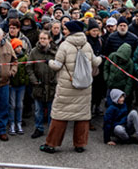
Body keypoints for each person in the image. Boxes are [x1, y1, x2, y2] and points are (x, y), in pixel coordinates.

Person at [40, 20, 101, 154]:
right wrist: (102, 58)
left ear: (72, 31)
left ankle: (51, 144)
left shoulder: (65, 45)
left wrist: (48, 61)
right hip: (84, 86)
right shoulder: (87, 45)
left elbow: (57, 65)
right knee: (82, 116)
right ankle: (80, 144)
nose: (64, 31)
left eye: (66, 29)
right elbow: (96, 61)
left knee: (60, 115)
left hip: (67, 86)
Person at [26, 30, 57, 139]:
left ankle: (51, 129)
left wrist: (56, 79)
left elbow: (60, 66)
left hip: (52, 85)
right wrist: (33, 79)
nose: (42, 41)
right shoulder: (34, 52)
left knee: (51, 110)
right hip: (38, 85)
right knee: (38, 110)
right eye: (41, 38)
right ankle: (38, 128)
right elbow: (29, 67)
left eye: (44, 38)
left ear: (49, 39)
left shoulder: (55, 51)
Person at [8, 38, 29, 135]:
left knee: (20, 104)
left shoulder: (25, 57)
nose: (19, 48)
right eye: (17, 47)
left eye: (20, 46)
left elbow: (27, 71)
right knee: (12, 105)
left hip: (21, 84)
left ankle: (19, 123)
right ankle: (12, 123)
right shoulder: (10, 58)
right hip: (12, 84)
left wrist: (25, 80)